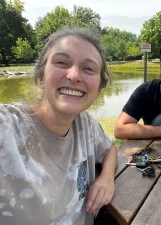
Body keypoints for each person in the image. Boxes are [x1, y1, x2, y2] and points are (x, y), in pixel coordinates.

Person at [0, 27, 117, 225]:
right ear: (42, 77)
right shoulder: (7, 127)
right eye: (61, 62)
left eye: (88, 68)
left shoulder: (85, 124)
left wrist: (106, 178)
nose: (73, 75)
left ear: (98, 90)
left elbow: (109, 148)